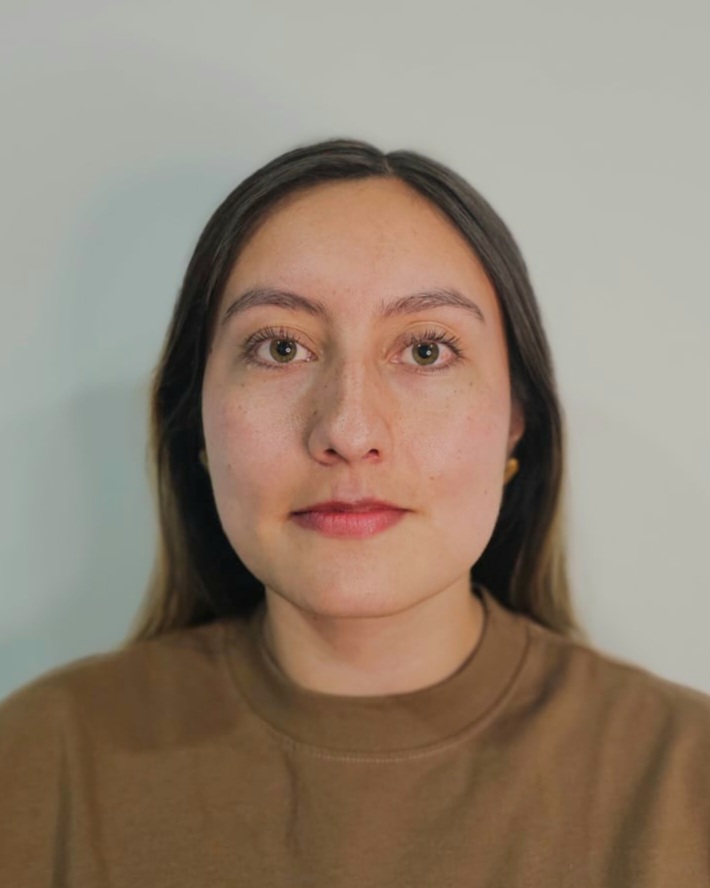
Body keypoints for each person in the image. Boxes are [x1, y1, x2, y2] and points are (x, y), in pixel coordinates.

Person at [1, 138, 708, 887]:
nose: (348, 430)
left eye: (427, 351)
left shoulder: (686, 782)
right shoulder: (38, 764)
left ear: (515, 421)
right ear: (197, 423)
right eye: (280, 348)